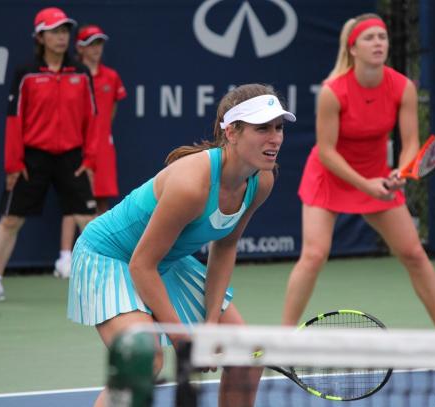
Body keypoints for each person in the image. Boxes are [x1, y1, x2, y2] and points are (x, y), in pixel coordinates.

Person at [67, 84, 296, 407]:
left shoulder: (262, 181)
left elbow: (226, 247)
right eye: (262, 128)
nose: (275, 138)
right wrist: (185, 342)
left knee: (246, 354)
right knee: (144, 361)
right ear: (231, 132)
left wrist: (211, 323)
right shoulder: (192, 184)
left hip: (166, 261)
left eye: (279, 127)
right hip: (109, 255)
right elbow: (141, 265)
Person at [281, 14, 435, 329]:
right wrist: (365, 185)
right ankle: (284, 337)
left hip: (378, 175)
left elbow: (411, 141)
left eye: (382, 37)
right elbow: (327, 152)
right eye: (369, 38)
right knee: (315, 254)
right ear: (353, 48)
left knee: (413, 253)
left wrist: (400, 171)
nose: (378, 43)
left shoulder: (402, 87)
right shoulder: (334, 91)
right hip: (329, 176)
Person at [0, 7, 98, 302]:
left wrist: (90, 159)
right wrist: (13, 163)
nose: (61, 37)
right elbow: (14, 119)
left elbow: (92, 118)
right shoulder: (26, 73)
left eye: (65, 31)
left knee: (90, 223)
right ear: (40, 36)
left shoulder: (80, 73)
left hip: (72, 157)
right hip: (32, 159)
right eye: (54, 32)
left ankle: (105, 284)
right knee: (10, 220)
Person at [54, 24, 127, 279]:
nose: (96, 49)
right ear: (80, 47)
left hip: (103, 146)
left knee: (102, 200)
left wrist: (101, 133)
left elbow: (110, 113)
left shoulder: (111, 77)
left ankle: (103, 254)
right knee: (72, 202)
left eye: (100, 44)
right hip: (77, 145)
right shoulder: (73, 75)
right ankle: (65, 258)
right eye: (91, 44)